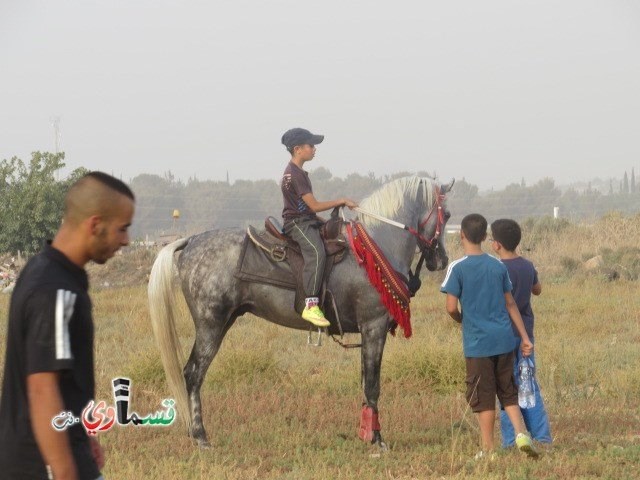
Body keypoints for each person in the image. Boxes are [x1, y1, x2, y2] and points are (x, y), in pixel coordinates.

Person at [0, 172, 135, 480]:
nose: (126, 240)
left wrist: (82, 432)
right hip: (41, 466)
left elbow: (60, 382)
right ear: (94, 224)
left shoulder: (44, 270)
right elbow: (41, 388)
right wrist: (63, 470)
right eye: (122, 229)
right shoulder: (54, 290)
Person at [440, 213, 538, 459]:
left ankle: (488, 449)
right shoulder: (498, 266)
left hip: (478, 344)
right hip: (505, 340)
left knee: (484, 397)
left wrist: (462, 320)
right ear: (485, 237)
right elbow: (511, 304)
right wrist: (525, 338)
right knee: (507, 392)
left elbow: (451, 307)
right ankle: (521, 434)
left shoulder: (457, 268)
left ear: (462, 235)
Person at [280, 127, 357, 327]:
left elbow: (310, 209)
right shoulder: (295, 174)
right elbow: (313, 205)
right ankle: (311, 305)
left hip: (307, 219)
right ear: (298, 149)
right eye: (311, 145)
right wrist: (341, 200)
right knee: (317, 252)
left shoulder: (298, 172)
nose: (314, 149)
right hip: (297, 224)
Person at [490, 218, 552, 448]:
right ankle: (542, 436)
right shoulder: (527, 265)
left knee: (507, 388)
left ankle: (510, 440)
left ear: (496, 244)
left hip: (504, 336)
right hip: (526, 334)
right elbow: (538, 290)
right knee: (528, 384)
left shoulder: (496, 268)